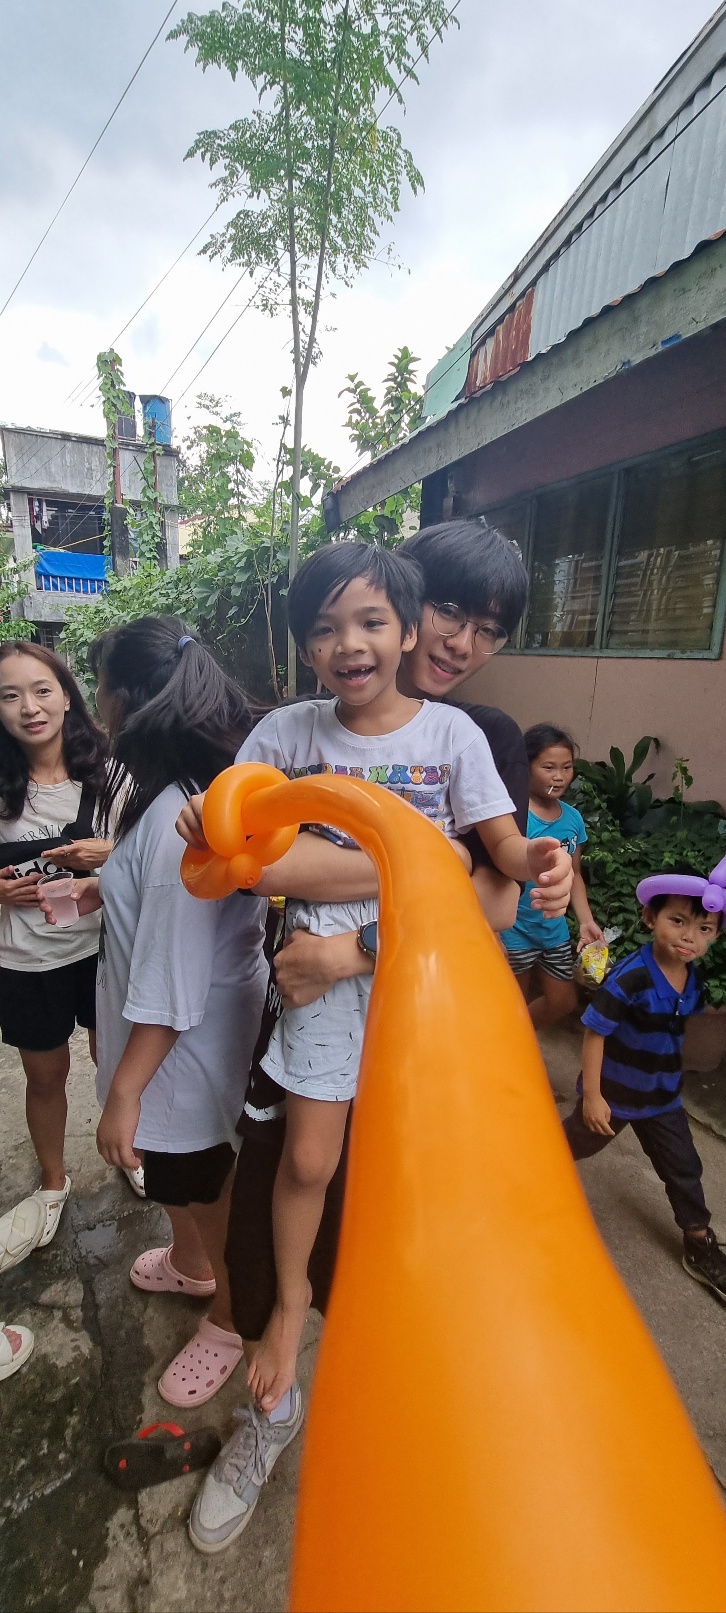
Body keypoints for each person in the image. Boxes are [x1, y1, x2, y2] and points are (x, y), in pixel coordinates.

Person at [181, 520, 576, 1555]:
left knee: (420, 1210)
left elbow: (498, 874)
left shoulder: (465, 736)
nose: (460, 641)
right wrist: (422, 856)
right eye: (327, 626)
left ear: (394, 627)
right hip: (311, 990)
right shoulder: (292, 730)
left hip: (424, 992)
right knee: (300, 1167)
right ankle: (279, 1348)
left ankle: (415, 1413)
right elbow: (246, 849)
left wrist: (541, 859)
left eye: (488, 628)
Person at [45, 617, 270, 1407]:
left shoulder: (182, 821)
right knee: (180, 1171)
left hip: (182, 1045)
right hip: (176, 1034)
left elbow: (174, 984)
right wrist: (101, 888)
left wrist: (123, 1093)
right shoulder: (170, 796)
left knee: (202, 1177)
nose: (94, 701)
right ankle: (191, 1264)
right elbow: (157, 899)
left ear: (128, 697)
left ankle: (232, 1316)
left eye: (99, 685)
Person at [563, 869, 726, 1299]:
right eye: (678, 921)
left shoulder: (693, 979)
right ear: (651, 918)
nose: (689, 936)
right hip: (613, 1096)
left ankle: (699, 1243)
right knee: (565, 1147)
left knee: (684, 1167)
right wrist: (593, 1096)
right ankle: (518, 1173)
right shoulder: (631, 977)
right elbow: (595, 1032)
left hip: (661, 1097)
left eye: (704, 928)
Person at [0, 641, 110, 1271]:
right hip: (26, 961)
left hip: (102, 950)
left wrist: (108, 856)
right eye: (10, 695)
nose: (29, 707)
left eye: (42, 690)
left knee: (112, 1060)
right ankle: (51, 1182)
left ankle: (134, 1152)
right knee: (45, 1077)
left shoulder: (110, 773)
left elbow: (154, 851)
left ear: (67, 696)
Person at [501, 723, 604, 1028]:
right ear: (527, 767)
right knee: (511, 1006)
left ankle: (519, 1040)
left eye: (567, 767)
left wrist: (586, 921)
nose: (559, 776)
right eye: (548, 767)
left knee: (563, 1001)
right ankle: (514, 1046)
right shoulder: (512, 815)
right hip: (513, 930)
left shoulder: (573, 818)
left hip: (553, 930)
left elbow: (575, 873)